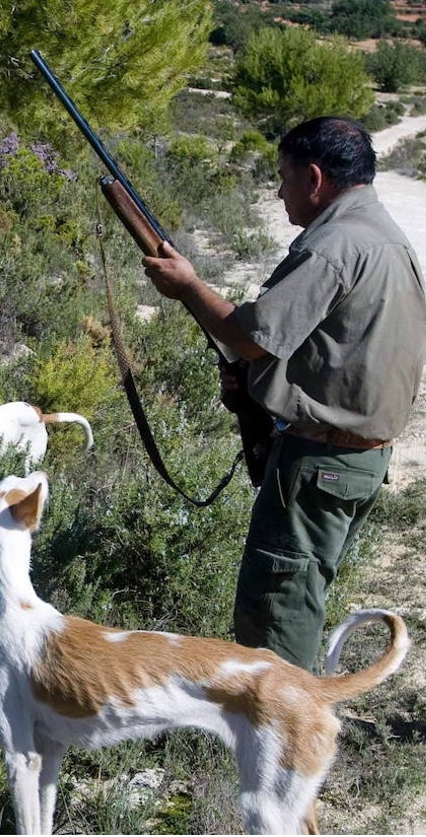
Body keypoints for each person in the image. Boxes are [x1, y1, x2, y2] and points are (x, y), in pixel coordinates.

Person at [141, 116, 426, 671]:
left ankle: (285, 746)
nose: (279, 191)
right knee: (297, 600)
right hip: (353, 460)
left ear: (314, 178)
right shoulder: (384, 236)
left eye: (284, 177)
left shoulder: (333, 245)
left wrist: (188, 286)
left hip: (320, 463)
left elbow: (250, 339)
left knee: (278, 616)